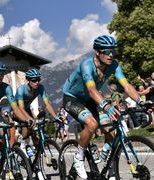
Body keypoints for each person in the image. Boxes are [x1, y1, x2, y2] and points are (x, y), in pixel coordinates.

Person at [62, 35, 145, 179]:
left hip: (89, 100)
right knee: (92, 123)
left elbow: (126, 85)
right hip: (72, 98)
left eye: (113, 51)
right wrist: (107, 107)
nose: (111, 54)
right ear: (97, 52)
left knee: (111, 129)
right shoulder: (87, 65)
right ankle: (79, 158)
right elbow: (92, 90)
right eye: (107, 51)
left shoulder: (114, 64)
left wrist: (142, 102)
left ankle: (106, 157)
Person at [15, 68, 59, 151]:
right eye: (34, 80)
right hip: (17, 110)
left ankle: (36, 153)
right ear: (28, 80)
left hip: (26, 109)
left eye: (38, 80)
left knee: (35, 130)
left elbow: (47, 104)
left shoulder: (40, 88)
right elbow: (20, 108)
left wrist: (55, 117)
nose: (37, 82)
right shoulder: (21, 89)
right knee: (27, 126)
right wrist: (30, 118)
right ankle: (22, 142)